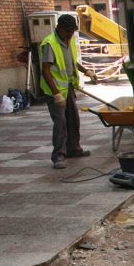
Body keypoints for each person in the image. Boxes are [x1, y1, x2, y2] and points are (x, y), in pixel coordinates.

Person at [40, 14, 97, 169]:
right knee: (61, 122)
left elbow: (72, 61)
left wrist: (87, 71)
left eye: (72, 31)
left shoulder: (69, 41)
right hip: (55, 92)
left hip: (68, 87)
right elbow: (45, 70)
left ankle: (73, 149)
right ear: (59, 28)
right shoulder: (49, 44)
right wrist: (56, 94)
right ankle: (58, 155)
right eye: (68, 31)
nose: (70, 34)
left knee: (73, 119)